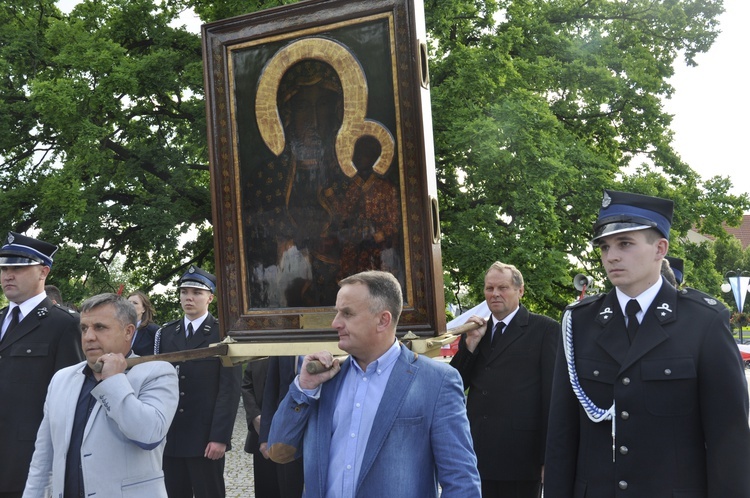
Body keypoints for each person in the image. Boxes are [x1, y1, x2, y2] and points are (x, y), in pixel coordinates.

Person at [545, 189, 750, 497]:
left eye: (625, 243)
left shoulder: (703, 322)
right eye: (605, 246)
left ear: (660, 249)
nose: (611, 256)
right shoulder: (580, 322)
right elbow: (562, 435)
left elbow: (729, 439)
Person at [267, 270, 481, 497]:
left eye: (347, 314)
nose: (335, 323)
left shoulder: (436, 382)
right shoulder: (324, 379)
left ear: (383, 320)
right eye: (337, 313)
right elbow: (278, 451)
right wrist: (304, 387)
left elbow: (461, 482)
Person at [22, 293, 179, 497]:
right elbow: (43, 457)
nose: (88, 337)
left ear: (128, 332)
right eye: (84, 328)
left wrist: (114, 381)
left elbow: (148, 435)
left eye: (100, 327)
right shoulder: (62, 379)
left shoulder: (157, 372)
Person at [450, 261, 559, 498]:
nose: (495, 294)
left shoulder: (545, 330)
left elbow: (552, 397)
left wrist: (547, 457)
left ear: (520, 291)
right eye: (489, 288)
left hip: (521, 456)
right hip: (476, 452)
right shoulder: (476, 331)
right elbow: (454, 384)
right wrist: (470, 345)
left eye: (503, 288)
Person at [0, 232, 83, 498]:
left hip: (29, 457)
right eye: (4, 268)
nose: (7, 275)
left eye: (19, 267)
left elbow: (70, 399)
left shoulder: (64, 324)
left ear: (43, 272)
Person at [155, 265, 241, 498]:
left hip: (205, 437)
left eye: (196, 292)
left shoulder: (223, 333)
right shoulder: (166, 334)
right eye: (184, 292)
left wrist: (219, 437)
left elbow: (229, 390)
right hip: (172, 436)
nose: (188, 298)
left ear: (210, 298)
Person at [260, 356, 305, 497]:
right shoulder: (285, 337)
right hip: (286, 429)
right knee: (288, 488)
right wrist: (266, 435)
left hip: (323, 427)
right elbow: (271, 387)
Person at [241, 358, 281, 498]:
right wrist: (254, 415)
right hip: (260, 432)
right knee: (265, 487)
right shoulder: (259, 354)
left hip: (289, 434)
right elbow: (247, 385)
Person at [127, 290, 159, 356]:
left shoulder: (154, 330)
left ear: (143, 309)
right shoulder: (119, 329)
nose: (130, 305)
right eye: (128, 303)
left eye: (135, 303)